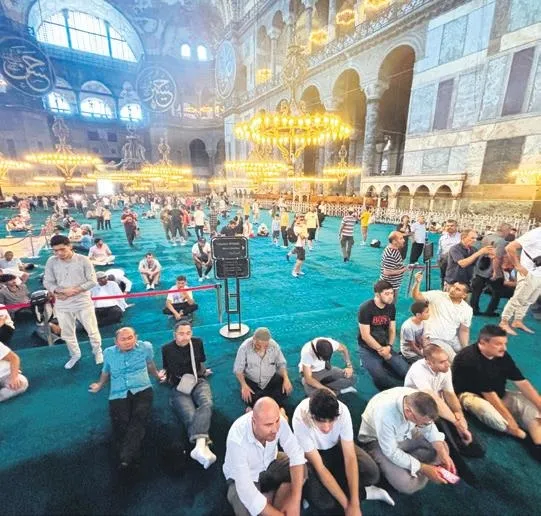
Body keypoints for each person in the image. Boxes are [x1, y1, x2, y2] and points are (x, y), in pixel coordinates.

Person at [293, 390, 394, 514]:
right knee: (324, 501)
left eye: (331, 420)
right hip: (314, 453)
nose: (327, 428)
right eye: (321, 421)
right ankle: (366, 493)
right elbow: (320, 468)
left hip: (337, 445)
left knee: (372, 473)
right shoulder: (300, 419)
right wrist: (347, 506)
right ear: (312, 416)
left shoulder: (343, 411)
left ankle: (350, 490)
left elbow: (350, 457)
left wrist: (355, 503)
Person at [453, 325, 540, 457]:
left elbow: (522, 382)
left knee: (531, 405)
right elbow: (489, 395)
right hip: (471, 395)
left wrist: (539, 405)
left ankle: (538, 443)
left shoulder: (502, 355)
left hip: (499, 393)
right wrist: (510, 421)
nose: (504, 348)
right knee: (490, 413)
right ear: (483, 342)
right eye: (498, 344)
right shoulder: (469, 359)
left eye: (505, 343)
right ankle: (523, 437)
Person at [89, 327, 161, 470]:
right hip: (118, 393)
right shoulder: (108, 353)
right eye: (123, 339)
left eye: (130, 338)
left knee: (139, 416)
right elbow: (106, 371)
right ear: (116, 342)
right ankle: (133, 457)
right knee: (121, 422)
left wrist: (157, 376)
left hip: (142, 388)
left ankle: (126, 458)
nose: (128, 341)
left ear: (136, 337)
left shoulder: (146, 347)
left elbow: (150, 364)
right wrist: (99, 384)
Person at [358, 387, 455, 494]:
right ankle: (414, 466)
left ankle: (408, 464)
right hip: (377, 441)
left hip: (407, 433)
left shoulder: (416, 398)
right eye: (423, 423)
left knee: (442, 448)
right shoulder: (385, 414)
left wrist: (442, 452)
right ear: (408, 412)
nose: (425, 425)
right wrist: (423, 468)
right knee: (408, 485)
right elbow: (392, 452)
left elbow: (429, 427)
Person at [223, 397, 306, 516]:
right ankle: (272, 497)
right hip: (244, 477)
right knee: (244, 508)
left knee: (303, 468)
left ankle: (275, 498)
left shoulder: (278, 420)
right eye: (268, 425)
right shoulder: (236, 440)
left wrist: (295, 501)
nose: (275, 429)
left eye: (277, 421)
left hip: (271, 462)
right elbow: (247, 491)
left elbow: (296, 455)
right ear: (254, 421)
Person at [405, 345, 485, 459]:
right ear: (429, 363)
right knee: (440, 422)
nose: (447, 364)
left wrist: (458, 414)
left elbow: (450, 394)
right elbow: (432, 400)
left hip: (435, 400)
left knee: (457, 419)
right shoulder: (417, 370)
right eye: (442, 362)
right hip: (419, 405)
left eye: (447, 360)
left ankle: (464, 440)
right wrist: (455, 422)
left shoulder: (445, 369)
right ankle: (456, 452)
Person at [161, 321, 216, 468]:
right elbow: (167, 368)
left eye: (188, 333)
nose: (185, 337)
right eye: (181, 333)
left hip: (198, 379)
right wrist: (165, 377)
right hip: (179, 384)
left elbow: (201, 362)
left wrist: (203, 372)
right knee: (189, 413)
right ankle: (203, 446)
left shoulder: (197, 343)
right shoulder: (166, 349)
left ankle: (199, 447)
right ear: (174, 335)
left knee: (207, 403)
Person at [43, 235, 103, 369]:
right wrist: (59, 291)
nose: (59, 253)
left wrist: (74, 291)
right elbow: (47, 282)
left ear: (69, 246)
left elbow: (92, 281)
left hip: (82, 302)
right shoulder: (51, 261)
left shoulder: (83, 260)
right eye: (55, 251)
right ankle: (75, 354)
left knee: (92, 330)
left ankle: (97, 352)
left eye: (62, 249)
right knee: (67, 333)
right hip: (62, 303)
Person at [357, 280, 409, 391]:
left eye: (392, 293)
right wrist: (381, 350)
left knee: (406, 372)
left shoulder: (391, 307)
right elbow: (365, 336)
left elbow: (392, 329)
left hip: (385, 345)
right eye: (387, 294)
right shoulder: (365, 308)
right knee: (381, 378)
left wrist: (389, 346)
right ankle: (365, 360)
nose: (391, 297)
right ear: (377, 294)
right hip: (368, 348)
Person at [412, 271, 472, 361]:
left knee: (470, 355)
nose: (452, 289)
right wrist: (417, 282)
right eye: (453, 286)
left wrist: (465, 348)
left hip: (451, 339)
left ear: (464, 295)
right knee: (454, 360)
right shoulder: (438, 295)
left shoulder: (467, 309)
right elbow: (417, 296)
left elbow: (464, 330)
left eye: (457, 289)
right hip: (433, 338)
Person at [233, 327, 292, 410]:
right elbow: (238, 370)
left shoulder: (274, 345)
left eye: (265, 346)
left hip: (270, 379)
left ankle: (276, 407)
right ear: (253, 339)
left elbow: (281, 364)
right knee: (249, 398)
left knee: (285, 390)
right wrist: (244, 385)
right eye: (258, 345)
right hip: (252, 381)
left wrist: (286, 379)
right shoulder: (244, 348)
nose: (262, 348)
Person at [499, 226, 541, 335]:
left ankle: (517, 321)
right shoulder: (536, 233)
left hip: (538, 273)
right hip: (529, 272)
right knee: (518, 298)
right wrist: (518, 266)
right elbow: (510, 247)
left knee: (530, 300)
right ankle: (504, 322)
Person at [470, 224, 512, 316]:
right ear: (506, 230)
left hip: (481, 266)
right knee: (497, 292)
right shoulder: (501, 242)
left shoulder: (487, 237)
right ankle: (490, 311)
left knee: (476, 290)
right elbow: (497, 258)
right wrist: (496, 272)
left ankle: (474, 309)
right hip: (491, 269)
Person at [379, 231, 407, 299]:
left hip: (392, 285)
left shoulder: (394, 249)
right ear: (394, 241)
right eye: (401, 238)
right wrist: (403, 270)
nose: (403, 240)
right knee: (390, 305)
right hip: (390, 287)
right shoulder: (391, 254)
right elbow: (387, 272)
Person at [437, 220, 461, 288]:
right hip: (444, 262)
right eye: (447, 226)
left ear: (456, 226)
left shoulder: (461, 237)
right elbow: (439, 250)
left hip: (457, 263)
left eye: (452, 226)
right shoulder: (442, 238)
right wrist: (439, 260)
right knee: (444, 279)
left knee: (456, 282)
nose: (449, 227)